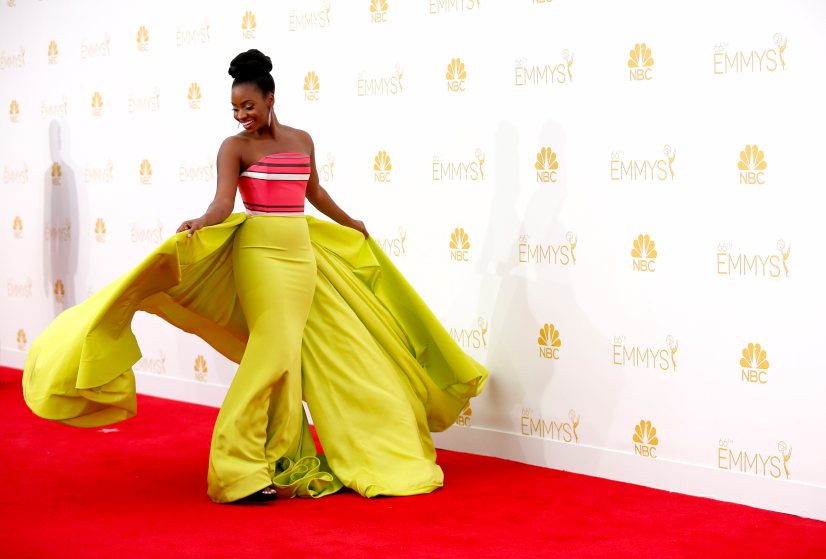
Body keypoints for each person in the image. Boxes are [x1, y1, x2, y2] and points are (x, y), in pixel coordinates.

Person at [22, 49, 488, 505]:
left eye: (248, 105)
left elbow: (315, 192)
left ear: (270, 98)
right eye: (234, 108)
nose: (241, 115)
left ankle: (277, 459)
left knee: (286, 363)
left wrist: (349, 222)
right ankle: (235, 468)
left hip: (300, 255)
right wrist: (202, 222)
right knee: (271, 355)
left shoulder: (302, 140)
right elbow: (223, 204)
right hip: (259, 255)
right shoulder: (234, 147)